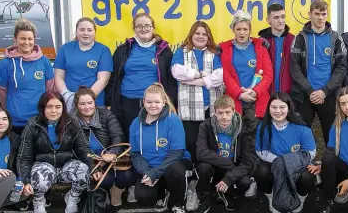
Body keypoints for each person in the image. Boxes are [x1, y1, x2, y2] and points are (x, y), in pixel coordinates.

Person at [16, 91, 100, 213]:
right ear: (42, 108)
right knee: (39, 178)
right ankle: (38, 200)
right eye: (49, 107)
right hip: (43, 165)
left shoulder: (71, 122)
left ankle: (72, 198)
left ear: (63, 108)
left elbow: (83, 148)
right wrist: (25, 180)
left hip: (66, 164)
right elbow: (24, 156)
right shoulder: (33, 125)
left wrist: (94, 168)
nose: (54, 111)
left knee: (83, 171)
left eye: (58, 107)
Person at [106, 12, 177, 140]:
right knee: (131, 137)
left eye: (147, 26)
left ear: (153, 28)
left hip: (154, 102)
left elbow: (171, 80)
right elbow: (113, 78)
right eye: (139, 26)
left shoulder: (163, 51)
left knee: (154, 137)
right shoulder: (123, 50)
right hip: (127, 101)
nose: (143, 29)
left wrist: (172, 102)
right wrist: (109, 101)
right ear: (134, 29)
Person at [129, 83, 192, 213]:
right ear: (143, 102)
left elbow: (178, 152)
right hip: (150, 169)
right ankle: (163, 193)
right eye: (149, 102)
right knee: (143, 196)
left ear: (164, 102)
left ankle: (179, 202)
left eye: (157, 102)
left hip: (174, 165)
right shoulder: (135, 124)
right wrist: (147, 172)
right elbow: (135, 154)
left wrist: (156, 172)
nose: (153, 105)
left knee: (174, 171)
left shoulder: (173, 120)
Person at [291, 0, 347, 144]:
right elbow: (294, 68)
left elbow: (341, 68)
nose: (320, 17)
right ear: (309, 14)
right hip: (305, 95)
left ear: (327, 14)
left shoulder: (336, 38)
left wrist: (325, 91)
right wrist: (310, 91)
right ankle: (301, 165)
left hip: (328, 95)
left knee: (332, 137)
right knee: (301, 135)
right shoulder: (300, 38)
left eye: (323, 14)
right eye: (317, 14)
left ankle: (329, 165)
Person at [72, 86, 135, 206]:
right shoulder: (72, 121)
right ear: (76, 105)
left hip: (111, 158)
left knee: (127, 176)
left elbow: (118, 136)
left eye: (90, 102)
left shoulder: (106, 115)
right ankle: (101, 197)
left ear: (94, 102)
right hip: (90, 160)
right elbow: (78, 149)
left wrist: (112, 152)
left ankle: (116, 192)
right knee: (103, 180)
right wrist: (92, 165)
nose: (87, 107)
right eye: (82, 104)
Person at [171, 21, 224, 164]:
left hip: (210, 108)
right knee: (191, 142)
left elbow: (218, 77)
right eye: (197, 33)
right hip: (189, 108)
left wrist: (193, 80)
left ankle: (207, 174)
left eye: (204, 34)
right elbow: (177, 72)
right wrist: (202, 74)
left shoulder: (214, 54)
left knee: (210, 143)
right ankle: (193, 174)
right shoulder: (181, 52)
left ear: (209, 37)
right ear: (191, 35)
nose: (201, 37)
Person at [254, 92, 317, 212]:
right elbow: (260, 150)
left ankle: (300, 198)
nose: (278, 111)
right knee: (261, 172)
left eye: (282, 107)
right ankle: (272, 197)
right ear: (268, 109)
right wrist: (280, 162)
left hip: (297, 163)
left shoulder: (301, 126)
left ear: (289, 108)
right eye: (274, 107)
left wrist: (288, 162)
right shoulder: (264, 126)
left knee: (307, 177)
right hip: (273, 163)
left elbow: (311, 151)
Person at [195, 95, 256, 212]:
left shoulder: (241, 129)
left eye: (228, 112)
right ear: (215, 113)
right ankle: (205, 200)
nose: (224, 117)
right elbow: (201, 153)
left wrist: (230, 177)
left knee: (245, 182)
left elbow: (248, 161)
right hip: (215, 166)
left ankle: (228, 194)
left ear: (233, 111)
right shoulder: (206, 126)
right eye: (220, 113)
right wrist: (228, 164)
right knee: (203, 167)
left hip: (231, 169)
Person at [219, 10, 273, 141]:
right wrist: (239, 94)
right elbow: (226, 75)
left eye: (245, 29)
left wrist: (255, 92)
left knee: (256, 137)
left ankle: (255, 162)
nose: (242, 33)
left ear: (250, 30)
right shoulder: (226, 49)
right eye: (238, 29)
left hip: (256, 100)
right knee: (236, 137)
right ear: (233, 29)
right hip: (235, 100)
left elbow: (268, 75)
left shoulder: (260, 48)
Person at [0, 19, 55, 136]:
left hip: (40, 120)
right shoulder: (6, 63)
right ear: (15, 39)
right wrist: (10, 111)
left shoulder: (44, 61)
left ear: (34, 39)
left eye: (30, 39)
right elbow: (2, 92)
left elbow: (50, 90)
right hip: (16, 122)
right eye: (22, 38)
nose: (26, 42)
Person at [54, 17, 113, 112]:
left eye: (89, 30)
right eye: (82, 30)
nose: (86, 33)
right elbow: (58, 77)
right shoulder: (65, 48)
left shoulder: (103, 50)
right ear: (76, 32)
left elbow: (103, 79)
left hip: (94, 104)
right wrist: (66, 95)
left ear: (94, 32)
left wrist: (85, 100)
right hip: (69, 103)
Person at [258, 3, 295, 94]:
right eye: (276, 18)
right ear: (268, 20)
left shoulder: (294, 40)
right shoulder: (261, 42)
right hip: (266, 93)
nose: (281, 20)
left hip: (290, 94)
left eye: (283, 16)